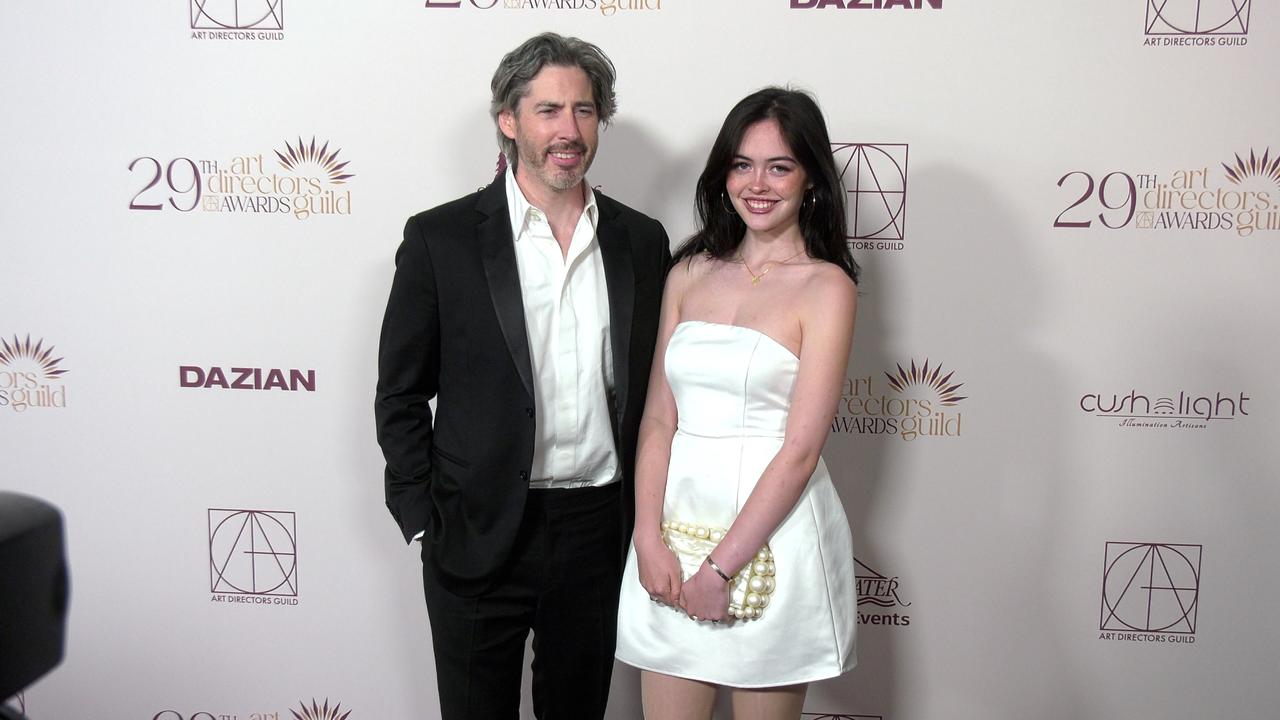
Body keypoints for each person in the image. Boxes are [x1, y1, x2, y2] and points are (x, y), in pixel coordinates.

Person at [374, 33, 670, 719]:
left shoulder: (641, 241)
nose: (568, 130)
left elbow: (654, 394)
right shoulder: (439, 240)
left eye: (585, 111)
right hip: (475, 532)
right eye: (547, 110)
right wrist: (423, 518)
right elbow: (399, 393)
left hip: (597, 532)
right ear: (508, 120)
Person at [614, 87, 860, 718]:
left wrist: (720, 570)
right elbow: (659, 420)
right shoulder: (688, 273)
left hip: (772, 533)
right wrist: (647, 538)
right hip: (671, 529)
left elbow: (801, 450)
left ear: (810, 179)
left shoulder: (826, 288)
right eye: (742, 164)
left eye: (780, 167)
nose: (758, 184)